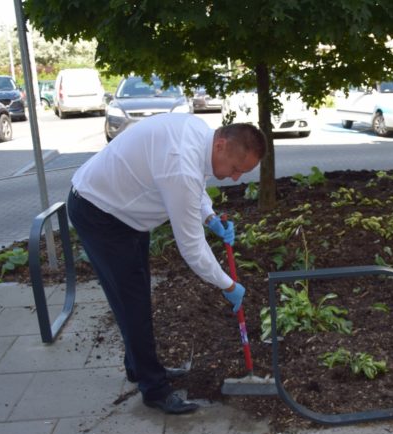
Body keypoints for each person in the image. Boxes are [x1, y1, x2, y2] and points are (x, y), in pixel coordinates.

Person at [67, 113, 267, 414]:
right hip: (101, 213)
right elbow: (191, 246)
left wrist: (209, 216)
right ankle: (154, 388)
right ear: (222, 145)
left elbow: (195, 184)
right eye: (237, 169)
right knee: (132, 303)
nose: (236, 177)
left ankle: (139, 367)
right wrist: (227, 284)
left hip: (126, 215)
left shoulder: (201, 135)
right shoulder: (180, 164)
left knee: (134, 297)